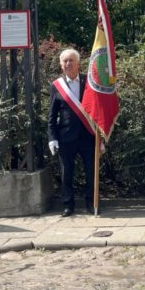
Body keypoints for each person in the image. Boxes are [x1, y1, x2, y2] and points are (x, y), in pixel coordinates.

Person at [48, 48, 96, 217]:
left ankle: (91, 203)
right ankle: (68, 205)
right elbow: (52, 115)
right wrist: (52, 138)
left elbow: (97, 110)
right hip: (66, 137)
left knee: (91, 172)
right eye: (65, 61)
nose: (68, 64)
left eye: (71, 61)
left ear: (78, 63)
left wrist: (100, 138)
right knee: (67, 173)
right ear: (61, 65)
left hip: (87, 136)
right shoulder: (56, 86)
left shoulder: (89, 82)